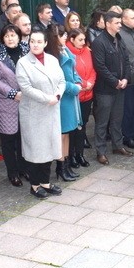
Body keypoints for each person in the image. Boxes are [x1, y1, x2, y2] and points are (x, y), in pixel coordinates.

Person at [16, 30, 66, 198]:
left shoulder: (52, 60)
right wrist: (47, 99)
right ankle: (35, 185)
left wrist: (57, 95)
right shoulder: (23, 63)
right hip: (34, 112)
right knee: (36, 150)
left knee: (49, 147)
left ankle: (45, 182)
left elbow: (62, 81)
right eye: (32, 41)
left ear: (45, 43)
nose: (35, 44)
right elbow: (26, 88)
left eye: (39, 41)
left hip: (52, 109)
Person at [0, 25, 29, 187]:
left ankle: (23, 169)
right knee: (8, 141)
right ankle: (12, 173)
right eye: (7, 36)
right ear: (2, 39)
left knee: (23, 138)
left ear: (19, 36)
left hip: (26, 102)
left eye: (13, 35)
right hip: (5, 104)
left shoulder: (27, 52)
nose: (10, 39)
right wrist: (13, 93)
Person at [91, 11, 132, 165]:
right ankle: (100, 151)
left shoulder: (119, 39)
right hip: (105, 90)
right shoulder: (99, 42)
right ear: (108, 24)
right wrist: (115, 81)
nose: (120, 25)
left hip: (120, 87)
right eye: (117, 23)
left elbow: (126, 61)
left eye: (120, 22)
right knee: (102, 121)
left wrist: (126, 78)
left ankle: (118, 146)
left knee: (117, 119)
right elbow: (100, 67)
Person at [48, 24, 81, 182]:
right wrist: (75, 87)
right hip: (63, 99)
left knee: (67, 133)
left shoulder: (65, 50)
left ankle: (66, 164)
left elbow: (73, 72)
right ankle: (60, 167)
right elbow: (59, 81)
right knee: (61, 135)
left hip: (70, 98)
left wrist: (78, 81)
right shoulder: (54, 57)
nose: (66, 37)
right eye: (62, 35)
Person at [65, 28, 95, 169]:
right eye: (80, 40)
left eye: (84, 39)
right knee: (73, 128)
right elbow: (71, 74)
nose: (83, 42)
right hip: (75, 96)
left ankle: (80, 154)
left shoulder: (87, 51)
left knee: (83, 127)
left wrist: (91, 83)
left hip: (87, 94)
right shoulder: (67, 53)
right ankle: (71, 156)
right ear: (72, 39)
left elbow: (92, 70)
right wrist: (83, 84)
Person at [120, 9, 134, 150]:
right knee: (128, 109)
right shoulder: (120, 35)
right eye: (133, 18)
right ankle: (127, 136)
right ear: (124, 19)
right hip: (129, 78)